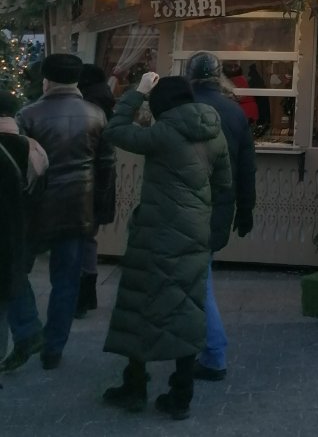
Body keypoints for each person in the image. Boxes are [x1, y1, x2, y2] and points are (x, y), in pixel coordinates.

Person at [101, 73, 231, 419]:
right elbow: (224, 185)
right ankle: (180, 394)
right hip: (194, 233)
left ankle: (134, 384)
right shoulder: (215, 133)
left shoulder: (163, 132)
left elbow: (113, 130)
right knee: (187, 308)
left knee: (142, 304)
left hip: (156, 232)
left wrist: (138, 93)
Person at [0, 52, 114, 374]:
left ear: (47, 80)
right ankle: (53, 348)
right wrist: (102, 211)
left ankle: (27, 329)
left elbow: (20, 167)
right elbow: (106, 167)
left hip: (36, 210)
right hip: (79, 209)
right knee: (66, 281)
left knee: (15, 272)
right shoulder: (96, 114)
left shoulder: (28, 114)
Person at [186, 51, 257, 381]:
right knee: (199, 274)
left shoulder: (178, 110)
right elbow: (246, 169)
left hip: (183, 206)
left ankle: (213, 352)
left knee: (198, 280)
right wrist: (246, 210)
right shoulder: (234, 111)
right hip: (219, 205)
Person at [0, 91, 48, 369]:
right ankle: (28, 330)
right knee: (15, 276)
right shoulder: (33, 148)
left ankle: (26, 331)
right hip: (25, 228)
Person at [75, 63, 116, 319]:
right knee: (88, 240)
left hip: (86, 184)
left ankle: (81, 296)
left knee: (80, 242)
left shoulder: (90, 106)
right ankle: (86, 294)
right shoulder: (103, 100)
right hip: (101, 184)